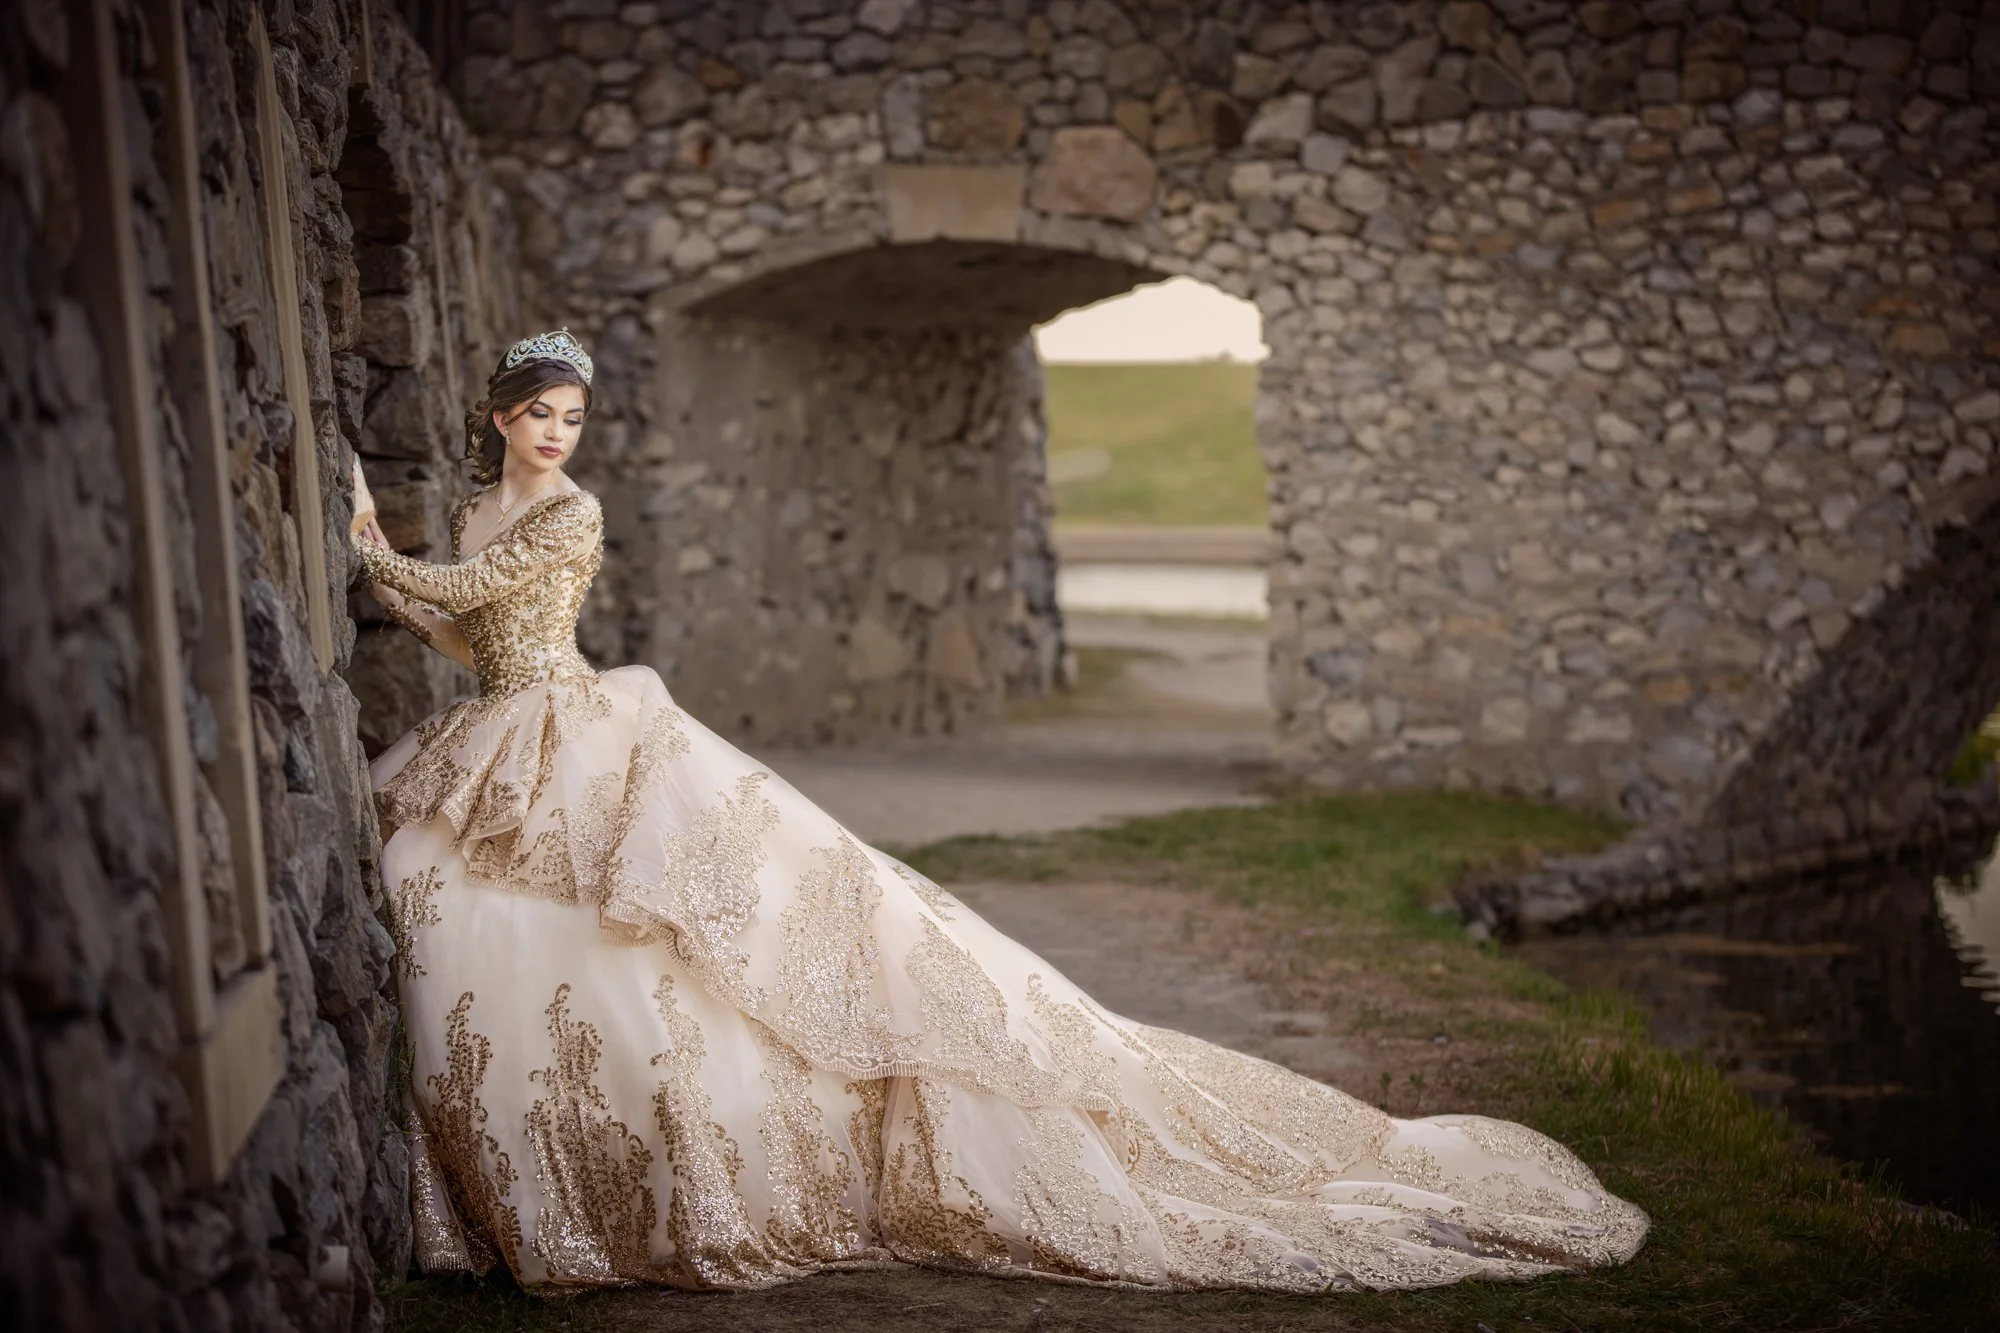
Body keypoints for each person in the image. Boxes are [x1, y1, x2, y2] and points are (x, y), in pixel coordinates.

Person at [351, 329, 1648, 1293]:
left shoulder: (568, 517)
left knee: (718, 923)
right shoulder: (487, 508)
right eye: (543, 418)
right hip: (508, 724)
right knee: (492, 919)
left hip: (582, 725)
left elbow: (465, 594)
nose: (560, 438)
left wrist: (360, 538)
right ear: (501, 418)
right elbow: (465, 633)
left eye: (575, 418)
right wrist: (395, 575)